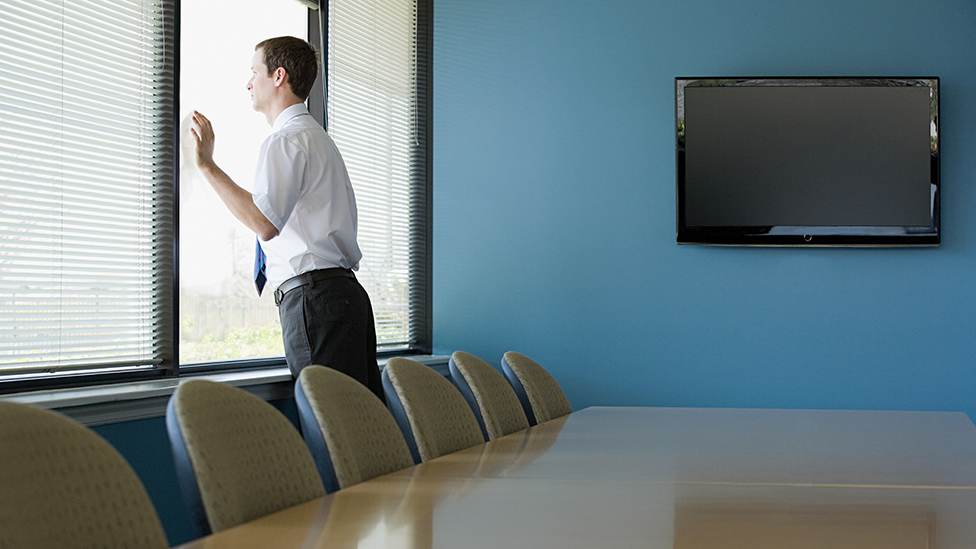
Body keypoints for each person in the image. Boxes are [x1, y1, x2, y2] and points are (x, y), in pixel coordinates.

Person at [189, 36, 384, 402]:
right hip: (343, 296)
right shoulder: (318, 139)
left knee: (334, 428)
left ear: (278, 76)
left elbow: (265, 222)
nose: (248, 83)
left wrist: (207, 165)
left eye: (254, 72)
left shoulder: (286, 141)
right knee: (360, 428)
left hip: (316, 300)